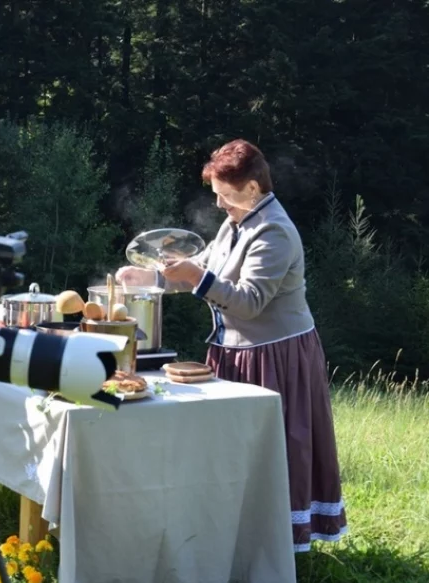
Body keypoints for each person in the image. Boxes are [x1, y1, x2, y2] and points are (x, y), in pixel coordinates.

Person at [116, 138, 348, 552]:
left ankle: (278, 545)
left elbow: (248, 302)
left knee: (278, 448)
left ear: (253, 188)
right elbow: (206, 268)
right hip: (236, 352)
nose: (219, 205)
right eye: (216, 196)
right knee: (234, 448)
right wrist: (150, 280)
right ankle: (237, 537)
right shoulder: (236, 221)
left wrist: (192, 277)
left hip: (276, 355)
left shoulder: (274, 231)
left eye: (225, 195)